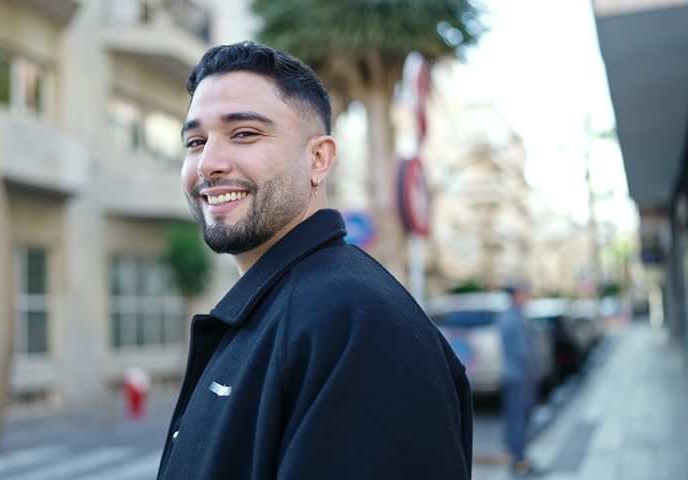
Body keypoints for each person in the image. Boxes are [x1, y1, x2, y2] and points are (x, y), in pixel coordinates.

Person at [157, 41, 472, 479]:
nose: (208, 163)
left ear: (318, 159)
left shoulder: (353, 323)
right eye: (195, 141)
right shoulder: (276, 312)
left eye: (244, 133)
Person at [498, 284, 539, 477]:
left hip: (512, 375)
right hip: (520, 376)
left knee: (514, 418)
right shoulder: (515, 318)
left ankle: (517, 458)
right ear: (516, 296)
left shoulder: (507, 317)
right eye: (524, 294)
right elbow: (524, 351)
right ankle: (520, 460)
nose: (527, 298)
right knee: (519, 420)